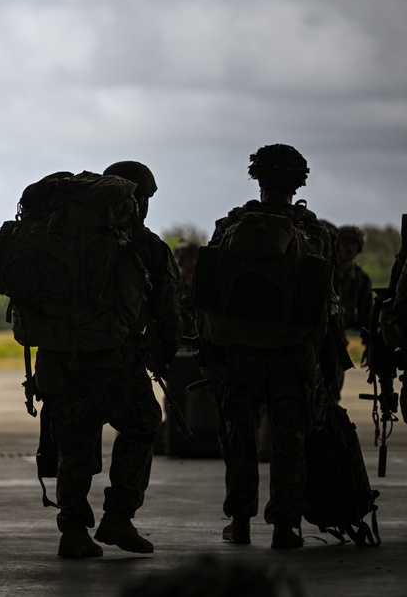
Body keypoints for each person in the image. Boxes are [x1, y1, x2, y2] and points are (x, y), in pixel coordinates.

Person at [36, 161, 180, 559]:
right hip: (118, 364)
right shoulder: (145, 247)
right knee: (144, 423)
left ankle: (74, 530)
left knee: (75, 444)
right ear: (141, 199)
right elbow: (167, 311)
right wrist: (165, 358)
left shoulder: (59, 237)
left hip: (62, 361)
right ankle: (118, 517)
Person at [204, 144, 325, 550]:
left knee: (238, 435)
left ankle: (239, 523)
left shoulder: (230, 226)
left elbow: (206, 292)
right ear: (299, 181)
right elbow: (323, 300)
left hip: (238, 350)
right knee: (289, 437)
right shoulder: (314, 231)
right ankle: (285, 527)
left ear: (257, 178)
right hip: (292, 351)